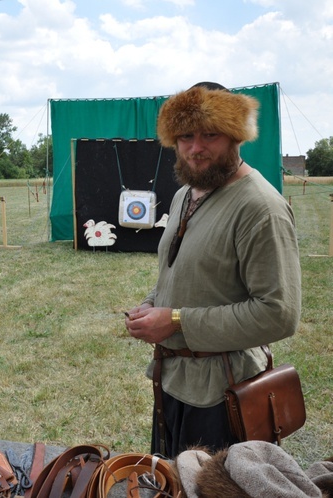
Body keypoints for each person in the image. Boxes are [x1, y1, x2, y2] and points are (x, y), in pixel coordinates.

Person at [124, 82, 302, 457]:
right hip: (174, 381)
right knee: (173, 483)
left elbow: (279, 315)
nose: (195, 148)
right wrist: (151, 304)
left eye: (210, 135)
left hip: (224, 396)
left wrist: (174, 321)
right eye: (185, 136)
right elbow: (180, 271)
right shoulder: (184, 194)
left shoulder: (259, 207)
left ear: (235, 136)